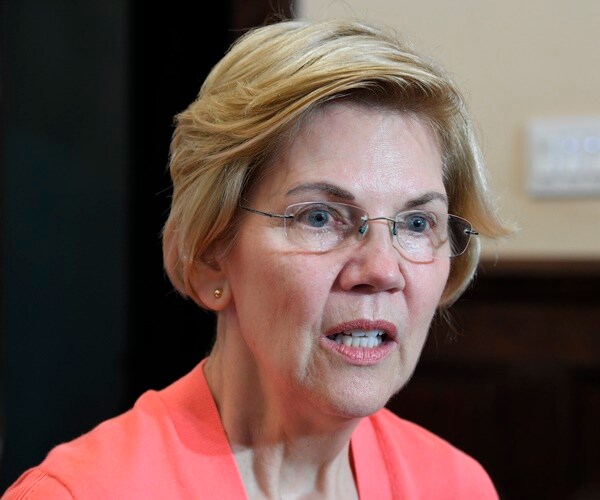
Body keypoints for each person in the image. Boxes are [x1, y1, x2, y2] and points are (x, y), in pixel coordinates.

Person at [4, 17, 513, 499]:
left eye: (417, 224)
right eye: (319, 217)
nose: (381, 270)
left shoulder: (455, 485)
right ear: (209, 256)